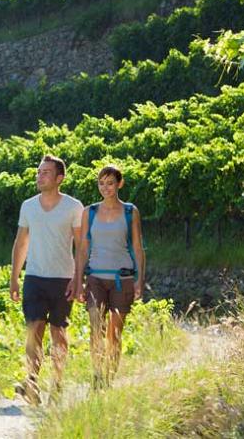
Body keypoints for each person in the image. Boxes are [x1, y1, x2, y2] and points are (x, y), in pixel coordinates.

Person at [10, 155, 84, 405]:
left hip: (63, 279)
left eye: (45, 172)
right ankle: (31, 382)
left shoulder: (74, 207)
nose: (39, 176)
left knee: (58, 333)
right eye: (38, 172)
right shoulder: (28, 206)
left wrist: (78, 278)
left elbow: (81, 245)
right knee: (34, 330)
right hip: (34, 277)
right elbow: (21, 242)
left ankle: (58, 384)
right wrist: (14, 278)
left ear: (59, 178)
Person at [75, 165, 146, 388]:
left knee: (114, 334)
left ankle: (109, 379)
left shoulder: (130, 211)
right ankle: (97, 376)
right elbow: (83, 248)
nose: (105, 188)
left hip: (121, 279)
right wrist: (78, 281)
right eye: (101, 183)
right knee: (97, 329)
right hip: (95, 277)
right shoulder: (90, 212)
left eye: (110, 183)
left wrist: (139, 280)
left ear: (119, 184)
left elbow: (137, 247)